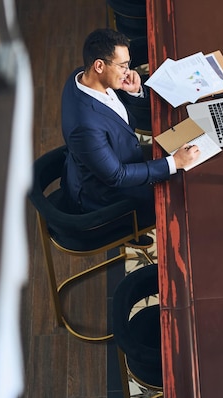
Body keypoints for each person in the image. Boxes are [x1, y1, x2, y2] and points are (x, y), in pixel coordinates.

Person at [60, 28, 199, 241]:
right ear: (99, 65)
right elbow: (117, 176)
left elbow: (117, 118)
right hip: (107, 196)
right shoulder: (85, 126)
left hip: (123, 153)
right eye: (123, 66)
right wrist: (174, 163)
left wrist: (134, 91)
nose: (128, 71)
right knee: (184, 200)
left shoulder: (82, 76)